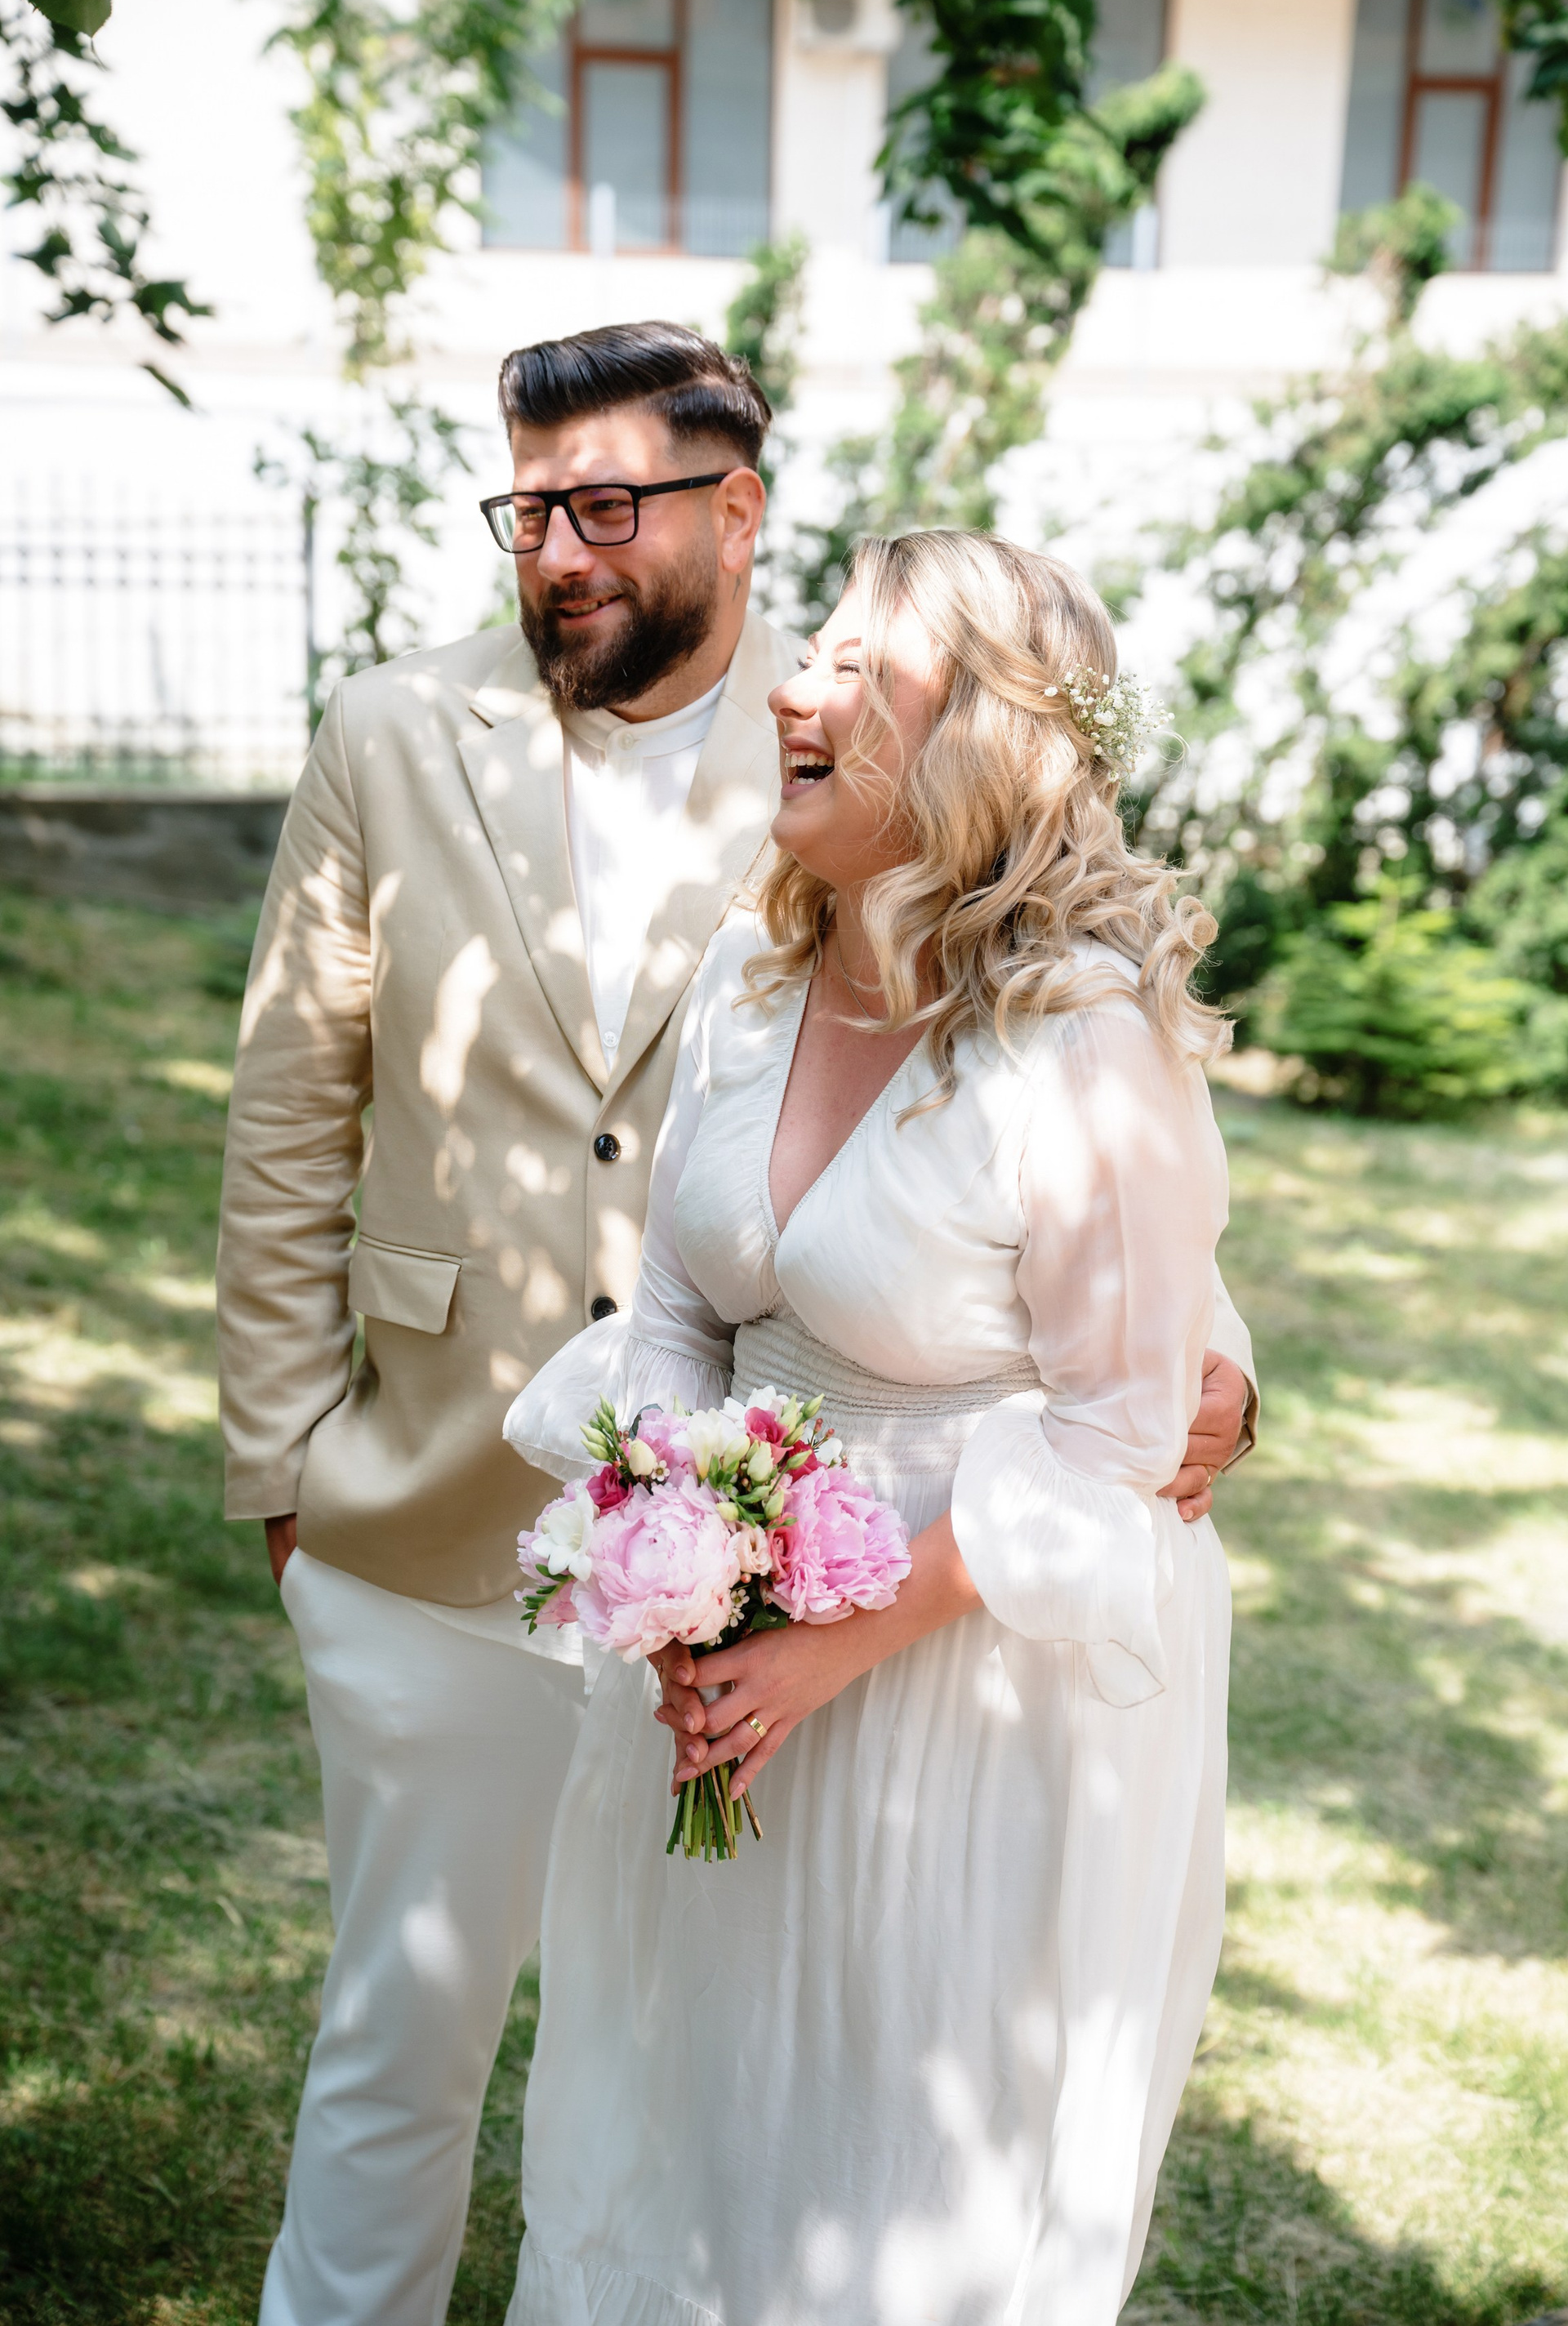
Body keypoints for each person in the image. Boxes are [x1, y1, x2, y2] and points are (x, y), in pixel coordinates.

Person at [217, 316, 1250, 2324]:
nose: (560, 549)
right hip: (501, 1546)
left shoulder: (947, 877)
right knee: (470, 2069)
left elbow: (1124, 1284)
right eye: (528, 509)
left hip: (927, 1671)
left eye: (608, 503)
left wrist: (1213, 1391)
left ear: (735, 507)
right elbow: (301, 1118)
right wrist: (315, 1484)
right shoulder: (444, 766)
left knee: (822, 2135)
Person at [504, 528, 1249, 2326]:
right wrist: (676, 1579)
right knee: (700, 2134)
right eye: (810, 651)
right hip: (730, 1665)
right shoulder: (753, 982)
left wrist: (826, 1649)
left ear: (980, 738)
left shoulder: (1083, 1040)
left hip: (972, 1692)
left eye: (855, 664)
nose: (794, 688)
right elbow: (675, 1313)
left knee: (896, 2167)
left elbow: (1122, 1431)